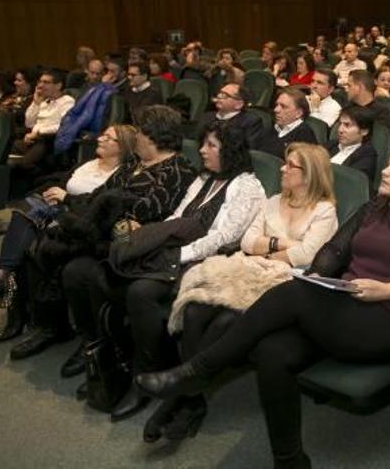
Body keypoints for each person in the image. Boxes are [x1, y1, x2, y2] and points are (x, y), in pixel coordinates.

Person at [136, 146, 390, 468]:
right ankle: (289, 460)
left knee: (294, 293)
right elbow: (334, 249)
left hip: (389, 319)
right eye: (388, 164)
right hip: (344, 308)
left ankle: (198, 371)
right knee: (272, 351)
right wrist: (319, 278)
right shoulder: (371, 209)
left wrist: (386, 290)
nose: (386, 171)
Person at [63, 122, 264, 422]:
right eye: (203, 144)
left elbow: (224, 237)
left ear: (230, 151)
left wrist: (179, 254)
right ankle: (115, 361)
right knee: (97, 274)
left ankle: (146, 376)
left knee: (141, 291)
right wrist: (153, 240)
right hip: (174, 250)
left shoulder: (248, 185)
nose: (202, 150)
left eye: (211, 146)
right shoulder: (204, 179)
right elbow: (176, 216)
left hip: (206, 260)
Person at [143, 143, 337, 441]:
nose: (282, 169)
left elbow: (307, 255)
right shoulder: (273, 200)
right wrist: (280, 245)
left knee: (224, 322)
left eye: (290, 165)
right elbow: (248, 242)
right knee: (194, 310)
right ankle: (190, 399)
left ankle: (178, 398)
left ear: (309, 174)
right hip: (246, 270)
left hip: (281, 284)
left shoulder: (324, 211)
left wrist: (269, 246)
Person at [17, 106, 196, 360]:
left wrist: (97, 214)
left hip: (130, 242)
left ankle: (95, 343)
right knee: (38, 247)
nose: (134, 137)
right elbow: (99, 196)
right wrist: (84, 208)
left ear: (154, 135)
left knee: (75, 269)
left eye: (139, 132)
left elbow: (142, 214)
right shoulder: (134, 162)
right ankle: (57, 328)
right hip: (101, 231)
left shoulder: (178, 171)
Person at [0, 125, 137, 345]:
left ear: (122, 147)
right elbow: (62, 183)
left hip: (77, 222)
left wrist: (65, 199)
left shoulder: (120, 176)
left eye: (107, 138)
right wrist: (51, 193)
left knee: (24, 238)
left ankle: (10, 297)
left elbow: (97, 208)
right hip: (55, 211)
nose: (100, 139)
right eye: (102, 135)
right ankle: (13, 305)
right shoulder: (88, 164)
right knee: (22, 223)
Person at [255, 87, 317, 158]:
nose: (276, 110)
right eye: (276, 105)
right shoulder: (271, 128)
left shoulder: (304, 135)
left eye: (283, 107)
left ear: (298, 113)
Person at [327, 105, 378, 182]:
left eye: (347, 125)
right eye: (340, 124)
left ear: (364, 131)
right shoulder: (330, 145)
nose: (340, 130)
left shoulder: (367, 155)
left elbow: (349, 182)